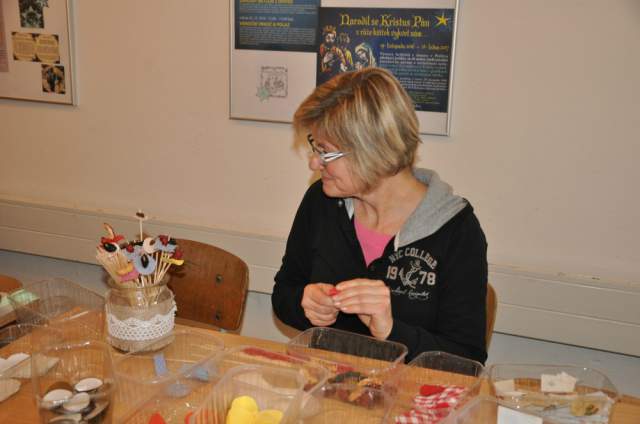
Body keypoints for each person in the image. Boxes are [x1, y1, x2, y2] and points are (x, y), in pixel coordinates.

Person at [271, 67, 488, 364]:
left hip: (407, 391)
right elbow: (284, 294)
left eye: (327, 152)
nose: (314, 163)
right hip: (326, 383)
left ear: (373, 152)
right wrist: (304, 302)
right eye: (315, 147)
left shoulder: (456, 230)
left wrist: (391, 330)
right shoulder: (321, 203)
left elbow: (467, 361)